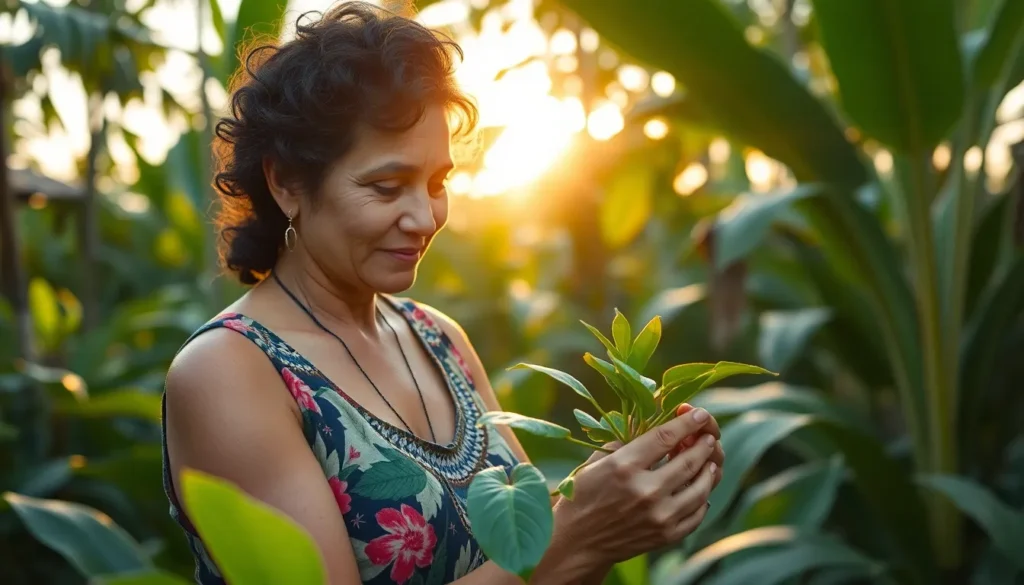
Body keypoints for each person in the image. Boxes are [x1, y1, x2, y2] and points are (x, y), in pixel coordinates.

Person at [160, 3, 726, 584]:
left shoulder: (437, 337)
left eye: (436, 183)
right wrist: (580, 531)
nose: (424, 217)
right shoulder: (230, 373)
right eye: (385, 187)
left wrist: (616, 492)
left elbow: (531, 542)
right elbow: (552, 551)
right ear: (286, 182)